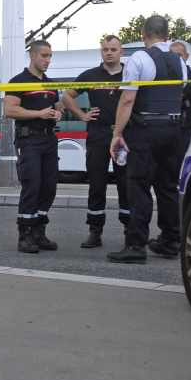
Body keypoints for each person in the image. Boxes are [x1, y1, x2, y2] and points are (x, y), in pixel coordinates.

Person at [108, 15, 187, 264]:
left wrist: (117, 133)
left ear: (144, 34)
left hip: (145, 131)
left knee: (139, 186)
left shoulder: (139, 59)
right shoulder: (180, 62)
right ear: (167, 35)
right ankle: (171, 240)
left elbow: (128, 99)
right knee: (168, 186)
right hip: (173, 130)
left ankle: (136, 244)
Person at [61, 35, 129, 249]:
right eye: (105, 49)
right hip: (98, 136)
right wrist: (82, 115)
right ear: (101, 52)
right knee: (96, 184)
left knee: (127, 185)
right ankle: (95, 231)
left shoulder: (131, 74)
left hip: (123, 137)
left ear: (121, 52)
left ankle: (130, 232)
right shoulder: (90, 75)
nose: (109, 52)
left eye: (113, 49)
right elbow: (66, 96)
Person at [4, 40, 62, 254]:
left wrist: (58, 113)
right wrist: (39, 114)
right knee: (32, 185)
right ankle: (25, 235)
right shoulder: (17, 82)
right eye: (44, 56)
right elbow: (9, 111)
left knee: (49, 187)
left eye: (50, 56)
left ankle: (39, 230)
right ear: (32, 56)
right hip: (29, 141)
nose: (47, 60)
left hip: (49, 140)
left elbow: (58, 106)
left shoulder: (50, 84)